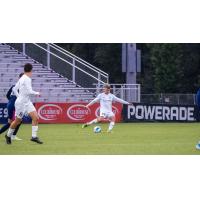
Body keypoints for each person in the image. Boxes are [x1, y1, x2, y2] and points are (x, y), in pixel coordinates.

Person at [5, 63, 43, 144]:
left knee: (36, 117)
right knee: (17, 121)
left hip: (27, 101)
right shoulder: (27, 79)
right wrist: (37, 93)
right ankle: (8, 135)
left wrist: (19, 96)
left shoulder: (22, 78)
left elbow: (14, 89)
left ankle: (34, 137)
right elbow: (29, 91)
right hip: (21, 103)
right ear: (31, 70)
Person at [0, 73, 24, 140]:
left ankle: (13, 135)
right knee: (11, 122)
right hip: (14, 106)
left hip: (11, 104)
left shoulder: (14, 86)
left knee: (18, 120)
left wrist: (11, 101)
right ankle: (12, 135)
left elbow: (7, 95)